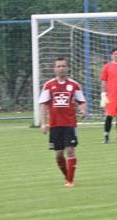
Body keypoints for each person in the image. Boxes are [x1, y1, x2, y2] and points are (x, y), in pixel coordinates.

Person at [39, 57, 87, 188]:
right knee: (58, 154)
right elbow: (43, 105)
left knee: (70, 151)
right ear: (55, 69)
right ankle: (67, 176)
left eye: (63, 66)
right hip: (54, 124)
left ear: (67, 68)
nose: (61, 68)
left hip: (69, 124)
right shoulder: (48, 85)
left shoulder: (74, 85)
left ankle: (70, 181)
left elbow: (81, 101)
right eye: (58, 66)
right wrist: (43, 123)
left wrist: (83, 110)